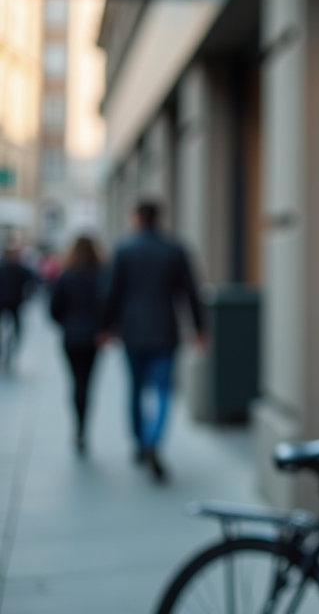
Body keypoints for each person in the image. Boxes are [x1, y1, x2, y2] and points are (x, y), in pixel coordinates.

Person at [102, 201, 205, 481]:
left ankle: (140, 443)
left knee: (135, 388)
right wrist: (199, 328)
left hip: (132, 331)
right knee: (162, 390)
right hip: (164, 330)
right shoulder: (174, 249)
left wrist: (105, 327)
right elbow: (190, 291)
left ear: (137, 218)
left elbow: (112, 292)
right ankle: (153, 441)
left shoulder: (124, 249)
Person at [50, 236, 106, 454]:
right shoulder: (100, 276)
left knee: (76, 382)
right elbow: (106, 305)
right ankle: (83, 426)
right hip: (92, 338)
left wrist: (67, 324)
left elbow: (54, 310)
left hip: (72, 337)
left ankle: (78, 426)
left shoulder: (66, 276)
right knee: (87, 383)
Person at [0, 244, 36, 373]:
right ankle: (7, 350)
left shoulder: (20, 269)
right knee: (13, 328)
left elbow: (32, 282)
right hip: (5, 302)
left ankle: (11, 350)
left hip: (14, 303)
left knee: (16, 329)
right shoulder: (7, 267)